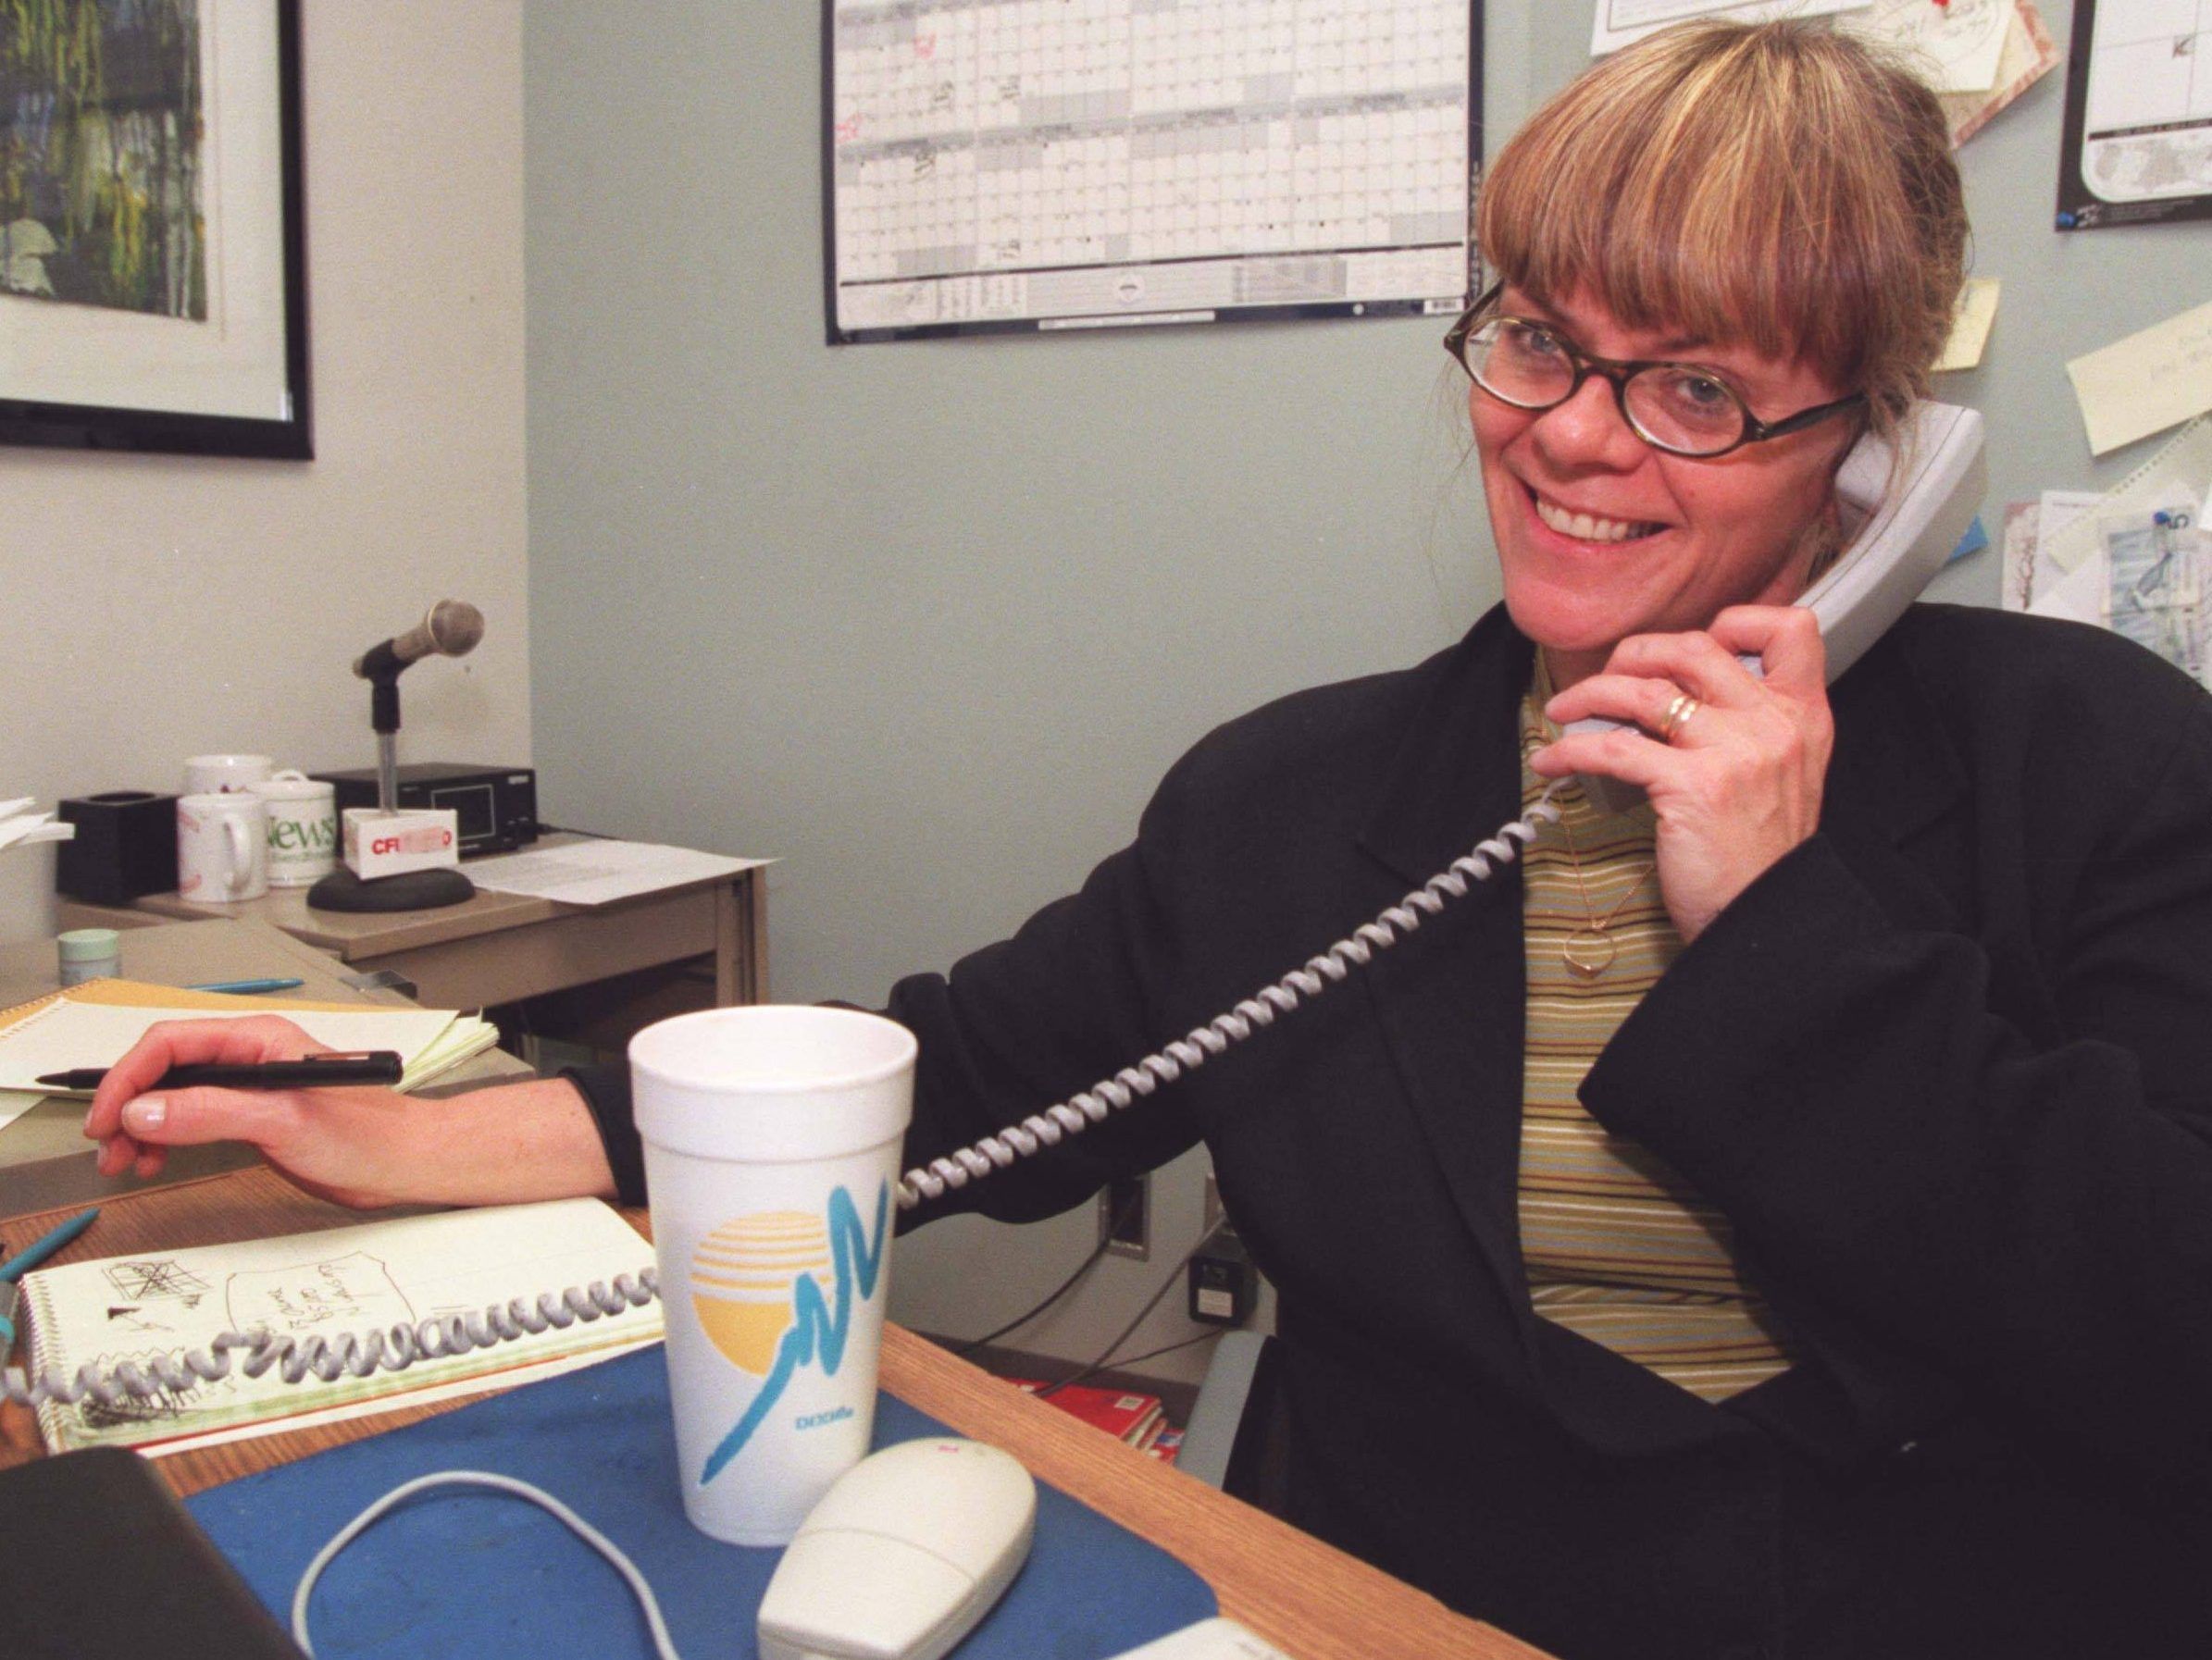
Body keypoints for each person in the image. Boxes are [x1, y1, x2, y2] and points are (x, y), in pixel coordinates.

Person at [79, 21, 2212, 1660]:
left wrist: (1782, 927)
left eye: (1692, 388)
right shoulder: (1296, 804)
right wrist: (388, 1132)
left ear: (1868, 455)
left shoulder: (2093, 763)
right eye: (1543, 340)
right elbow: (938, 1085)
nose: (1568, 432)